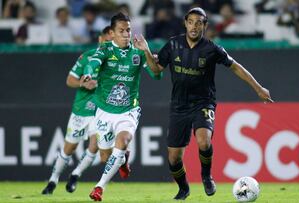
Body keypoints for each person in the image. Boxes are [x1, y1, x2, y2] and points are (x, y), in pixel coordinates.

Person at [132, 7, 273, 200]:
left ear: (205, 26)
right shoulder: (173, 45)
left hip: (203, 103)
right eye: (191, 22)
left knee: (204, 141)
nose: (194, 26)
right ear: (185, 23)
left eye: (199, 22)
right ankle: (183, 188)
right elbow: (156, 71)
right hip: (179, 106)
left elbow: (236, 67)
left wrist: (258, 88)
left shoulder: (211, 48)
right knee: (173, 158)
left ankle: (206, 176)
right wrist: (147, 50)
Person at [41, 26, 131, 195]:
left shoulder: (116, 59)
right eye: (105, 41)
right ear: (99, 40)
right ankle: (53, 180)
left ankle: (76, 174)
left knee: (94, 146)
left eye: (110, 42)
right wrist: (83, 83)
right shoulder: (87, 57)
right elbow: (70, 80)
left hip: (100, 111)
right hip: (81, 111)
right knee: (69, 148)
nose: (107, 45)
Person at [83, 12, 162, 201]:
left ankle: (99, 188)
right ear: (112, 33)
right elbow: (92, 63)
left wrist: (147, 52)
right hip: (104, 111)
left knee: (123, 140)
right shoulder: (105, 50)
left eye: (128, 30)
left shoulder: (138, 52)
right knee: (105, 157)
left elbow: (157, 75)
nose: (127, 34)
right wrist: (88, 74)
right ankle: (123, 159)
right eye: (122, 31)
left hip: (128, 111)